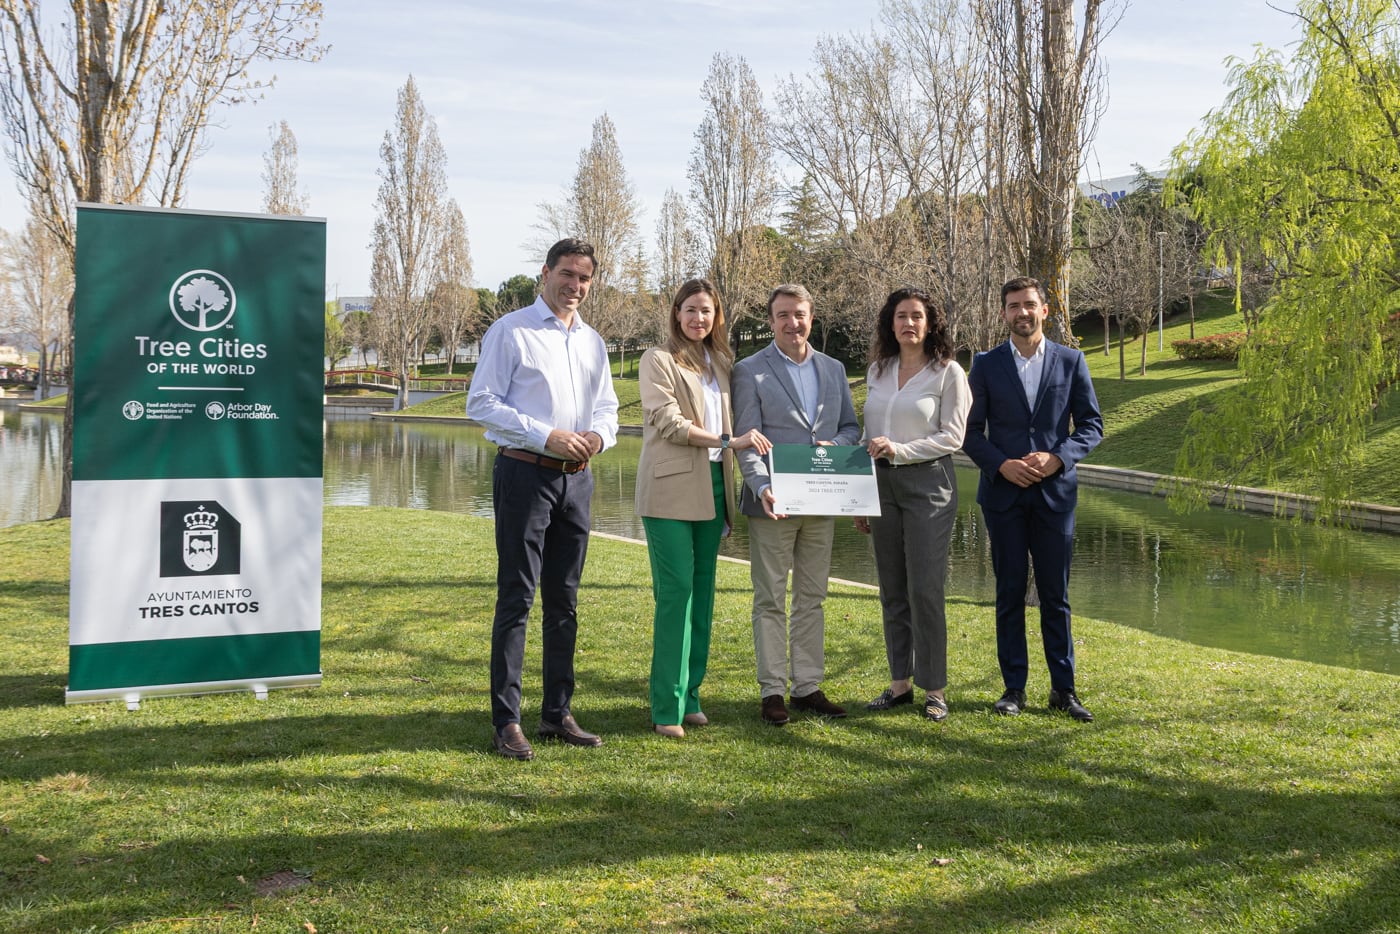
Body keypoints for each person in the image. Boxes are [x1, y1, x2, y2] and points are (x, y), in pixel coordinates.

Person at [466, 238, 620, 760]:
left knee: (565, 602)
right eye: (567, 274)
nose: (575, 286)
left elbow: (607, 409)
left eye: (584, 278)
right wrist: (544, 434)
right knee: (517, 598)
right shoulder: (510, 331)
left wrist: (597, 438)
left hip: (578, 480)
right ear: (545, 272)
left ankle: (557, 712)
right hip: (525, 474)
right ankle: (506, 721)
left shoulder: (594, 342)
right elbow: (480, 402)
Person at [961, 276, 1104, 722]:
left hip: (1054, 496)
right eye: (1012, 306)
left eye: (1029, 305)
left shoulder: (1071, 360)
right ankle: (1014, 689)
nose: (1021, 313)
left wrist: (1058, 458)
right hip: (1002, 497)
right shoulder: (984, 365)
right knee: (1008, 594)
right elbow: (968, 432)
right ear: (1003, 313)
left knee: (1055, 597)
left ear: (1045, 310)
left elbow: (1092, 426)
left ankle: (1064, 690)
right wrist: (1001, 464)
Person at [636, 279, 771, 739]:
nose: (699, 318)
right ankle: (666, 706)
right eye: (691, 310)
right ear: (676, 313)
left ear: (718, 317)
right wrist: (726, 441)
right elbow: (668, 422)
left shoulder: (725, 364)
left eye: (707, 311)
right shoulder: (658, 360)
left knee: (704, 594)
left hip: (716, 487)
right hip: (670, 491)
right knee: (675, 595)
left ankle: (691, 695)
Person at [733, 284, 861, 726]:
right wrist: (762, 485)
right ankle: (772, 691)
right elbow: (747, 440)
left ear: (812, 317)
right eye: (783, 315)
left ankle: (807, 687)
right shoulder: (750, 371)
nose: (793, 323)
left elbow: (849, 428)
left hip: (821, 501)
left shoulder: (833, 369)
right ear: (770, 321)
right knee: (770, 598)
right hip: (772, 503)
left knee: (813, 596)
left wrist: (835, 444)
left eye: (800, 314)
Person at [854, 287, 970, 722]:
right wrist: (861, 497)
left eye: (917, 316)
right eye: (901, 316)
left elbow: (952, 436)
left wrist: (900, 450)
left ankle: (934, 689)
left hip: (929, 486)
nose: (908, 323)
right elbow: (868, 437)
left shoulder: (948, 373)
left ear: (930, 322)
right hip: (882, 487)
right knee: (892, 589)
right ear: (891, 322)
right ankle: (899, 684)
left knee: (925, 589)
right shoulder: (878, 370)